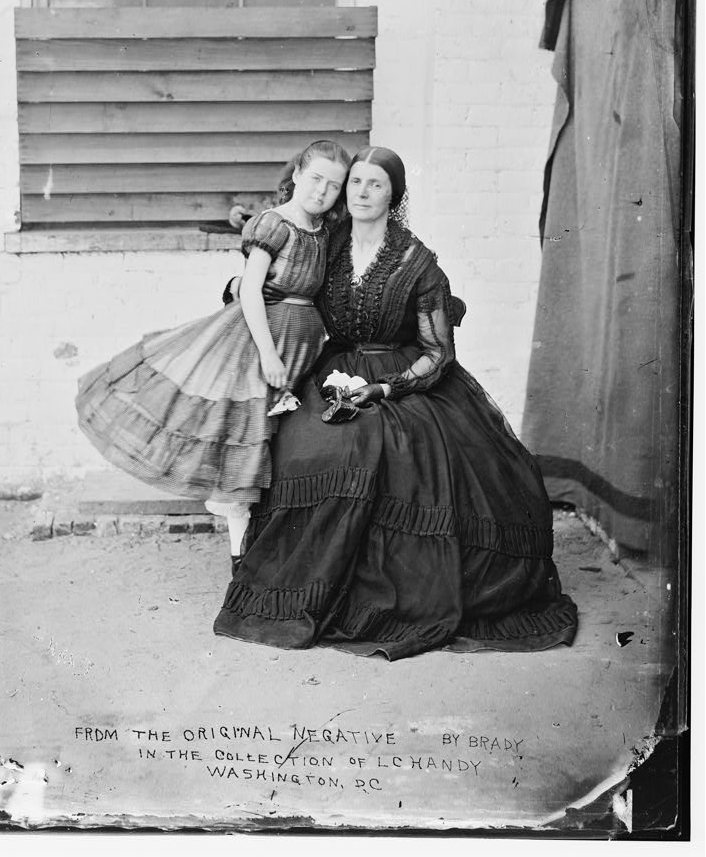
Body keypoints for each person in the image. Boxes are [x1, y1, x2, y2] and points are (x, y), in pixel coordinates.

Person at [213, 146, 578, 659]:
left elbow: (438, 352)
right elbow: (278, 282)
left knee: (393, 447)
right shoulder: (326, 244)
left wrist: (385, 389)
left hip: (401, 377)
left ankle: (384, 595)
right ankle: (305, 583)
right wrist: (238, 284)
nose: (361, 193)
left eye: (375, 184)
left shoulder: (416, 261)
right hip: (328, 366)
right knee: (312, 442)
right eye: (354, 183)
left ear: (394, 195)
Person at [76, 139, 350, 573]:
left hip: (302, 346)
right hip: (259, 342)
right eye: (315, 178)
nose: (321, 191)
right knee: (244, 438)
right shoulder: (274, 225)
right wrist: (267, 355)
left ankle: (272, 546)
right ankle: (241, 557)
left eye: (334, 186)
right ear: (296, 174)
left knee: (281, 446)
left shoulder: (324, 234)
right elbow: (252, 290)